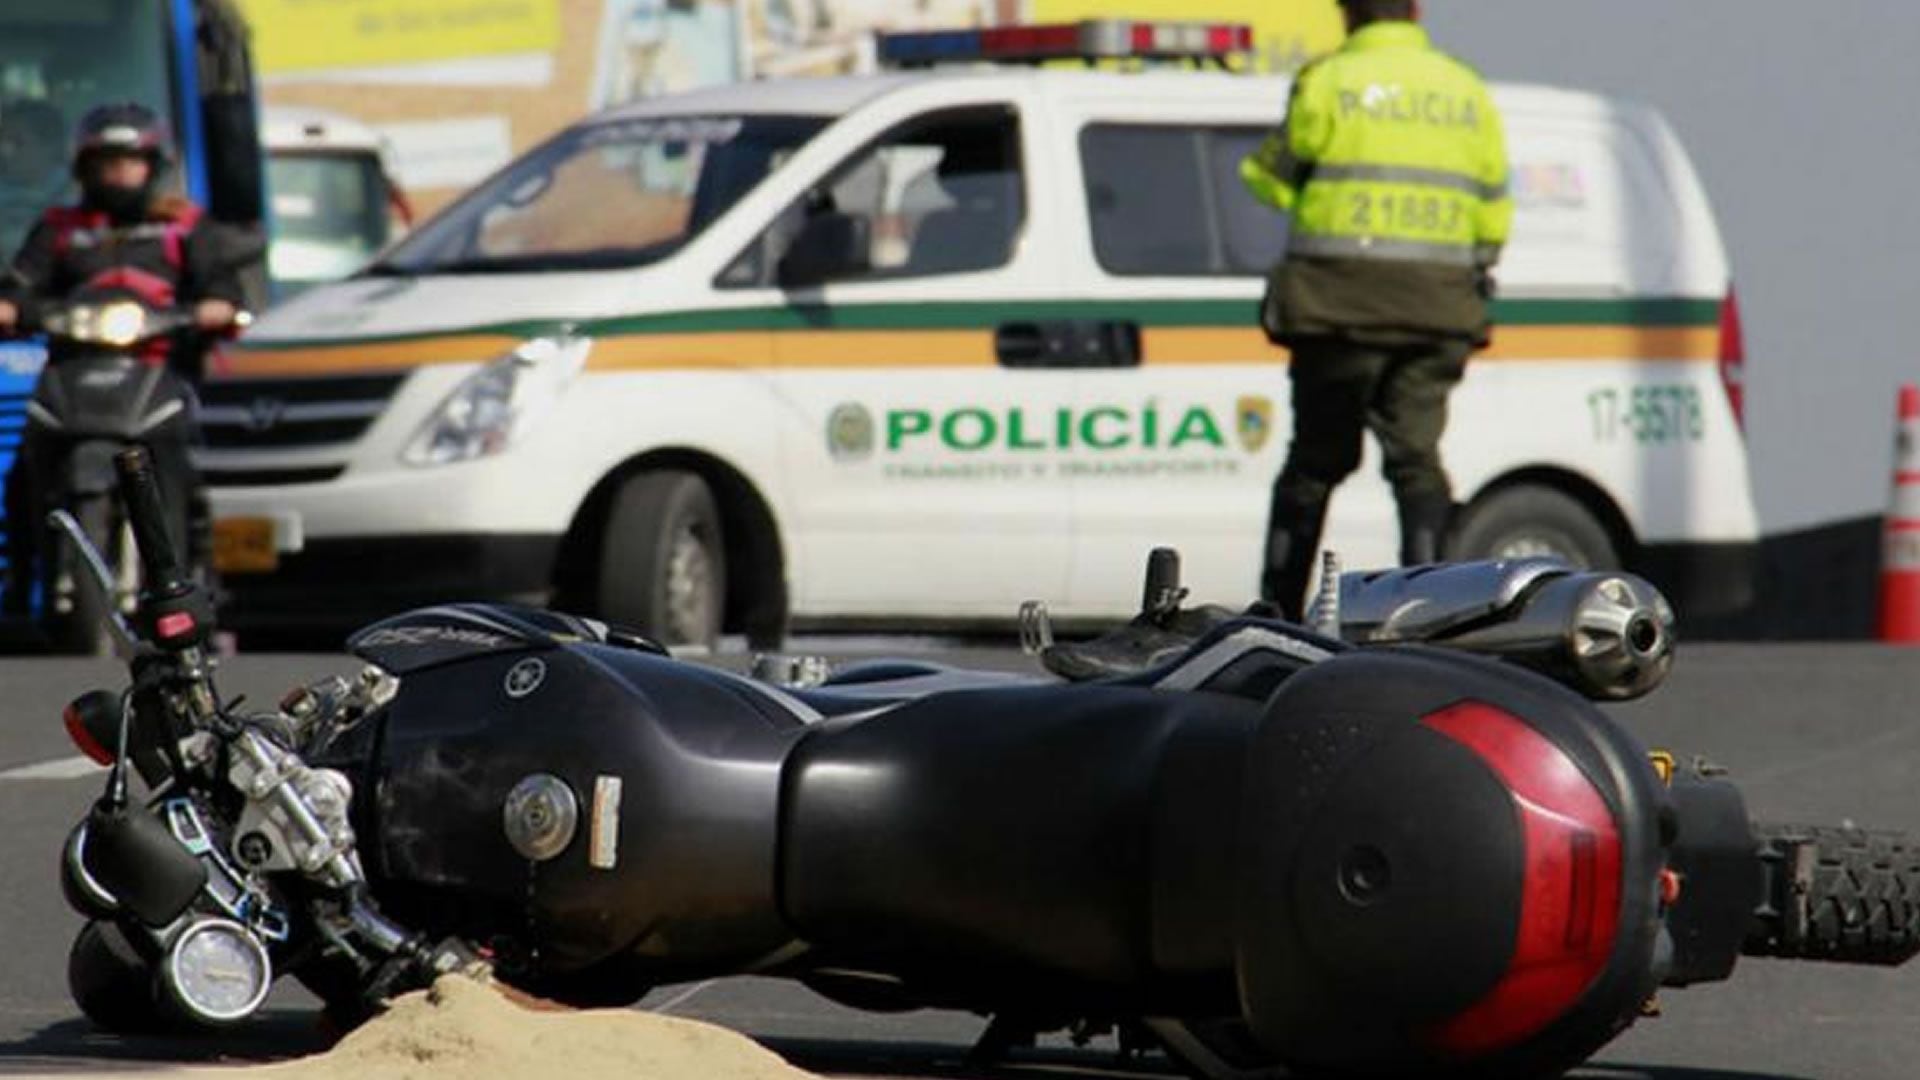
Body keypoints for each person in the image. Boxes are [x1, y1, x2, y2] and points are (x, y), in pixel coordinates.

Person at [1241, 0, 1511, 620]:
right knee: (1418, 463)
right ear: (1415, 11)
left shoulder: (1328, 80)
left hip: (1338, 307)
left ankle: (1276, 612)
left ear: (1345, 13)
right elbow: (1494, 212)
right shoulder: (1465, 91)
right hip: (1437, 309)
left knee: (1314, 462)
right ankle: (1435, 612)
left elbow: (1271, 177)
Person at [0, 102, 243, 614]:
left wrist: (215, 307)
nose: (117, 172)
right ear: (84, 168)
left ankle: (196, 576)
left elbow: (223, 286)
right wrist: (12, 308)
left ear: (151, 166)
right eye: (106, 161)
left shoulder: (182, 227)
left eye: (129, 160)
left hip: (156, 374)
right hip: (71, 374)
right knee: (23, 475)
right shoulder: (60, 228)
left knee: (196, 467)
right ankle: (24, 585)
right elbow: (20, 286)